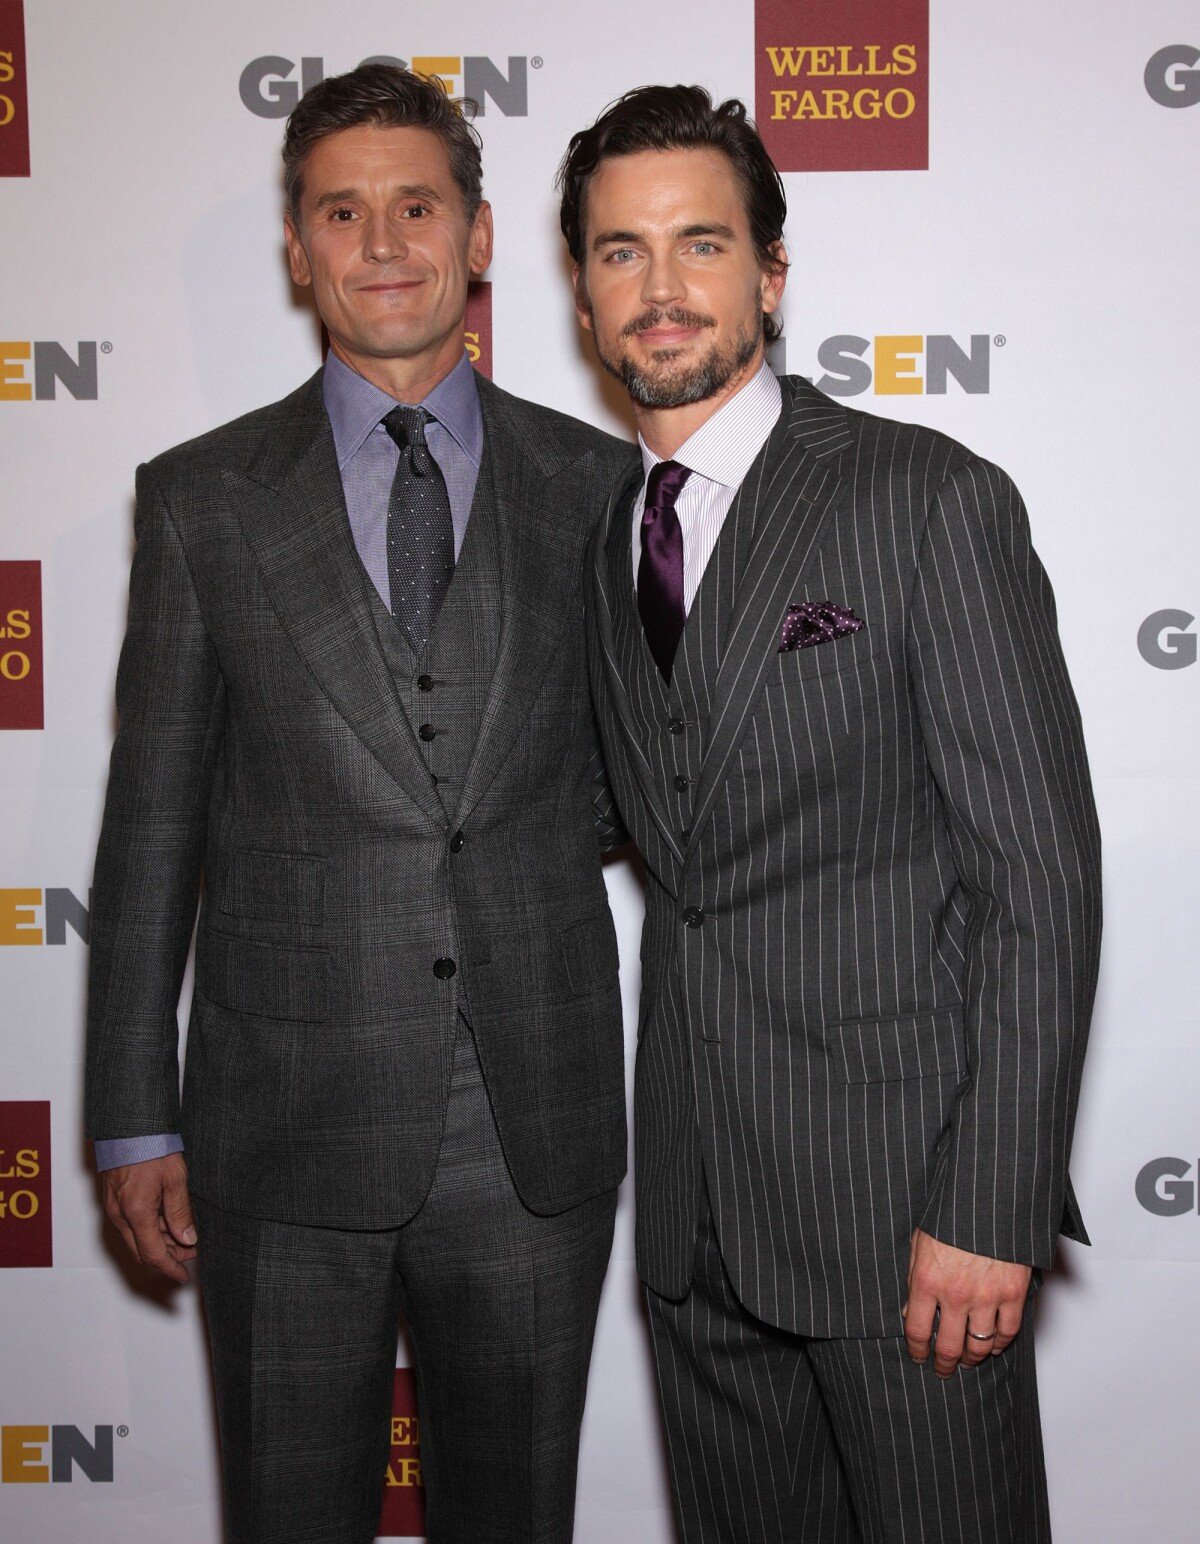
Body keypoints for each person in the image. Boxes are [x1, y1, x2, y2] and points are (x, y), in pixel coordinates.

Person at [85, 63, 634, 1544]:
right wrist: (134, 1120)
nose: (382, 241)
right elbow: (150, 827)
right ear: (298, 250)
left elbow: (643, 785)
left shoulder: (600, 486)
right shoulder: (202, 499)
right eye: (344, 210)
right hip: (279, 1124)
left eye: (416, 206)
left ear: (476, 238)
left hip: (536, 1119)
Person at [560, 84, 1101, 1542]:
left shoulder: (926, 501)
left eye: (701, 246)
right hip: (693, 1220)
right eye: (621, 253)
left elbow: (1038, 881)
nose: (662, 290)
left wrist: (991, 1203)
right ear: (581, 290)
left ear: (772, 274)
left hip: (907, 1221)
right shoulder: (602, 535)